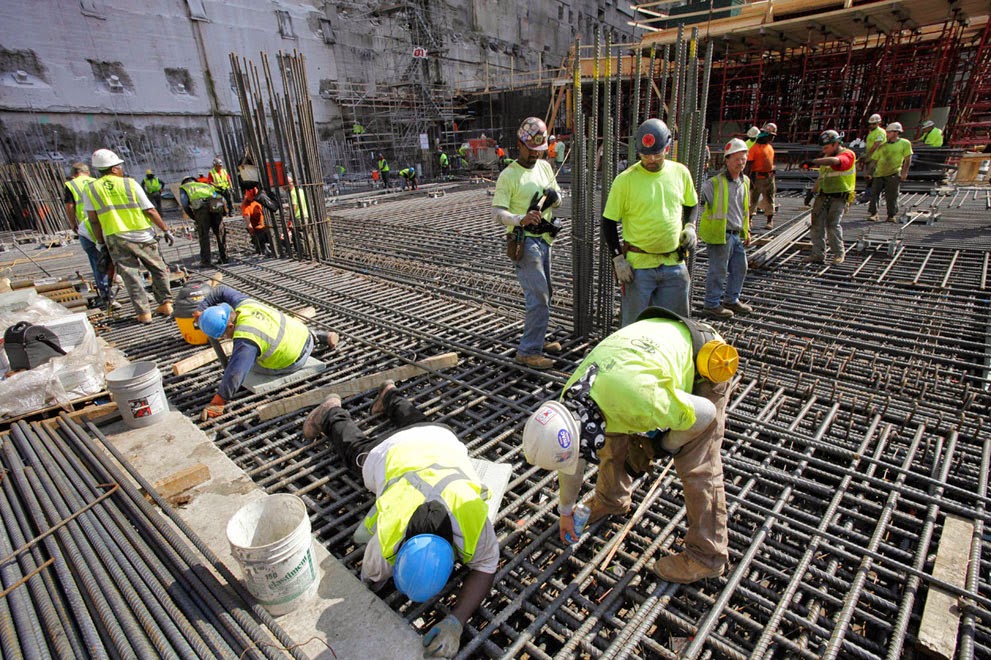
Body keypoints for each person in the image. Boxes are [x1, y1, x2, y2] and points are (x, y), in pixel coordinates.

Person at [522, 306, 738, 583]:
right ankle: (611, 500)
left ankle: (706, 556)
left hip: (706, 361)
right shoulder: (573, 401)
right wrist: (566, 511)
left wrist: (667, 445)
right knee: (611, 433)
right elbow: (571, 460)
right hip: (644, 354)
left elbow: (705, 415)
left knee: (697, 465)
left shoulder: (642, 402)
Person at [301, 382, 498, 659]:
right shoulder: (386, 541)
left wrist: (456, 621)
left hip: (436, 439)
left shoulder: (471, 517)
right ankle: (343, 409)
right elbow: (369, 580)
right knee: (359, 452)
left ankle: (368, 401)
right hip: (417, 444)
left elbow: (488, 566)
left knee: (407, 431)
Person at [602, 118, 698, 326]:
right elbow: (608, 222)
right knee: (633, 327)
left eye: (657, 154)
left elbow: (692, 203)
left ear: (667, 148)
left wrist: (690, 225)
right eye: (645, 156)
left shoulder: (680, 172)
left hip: (674, 263)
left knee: (677, 325)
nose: (652, 160)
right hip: (639, 268)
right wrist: (618, 258)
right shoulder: (625, 180)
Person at [195, 285, 339, 420]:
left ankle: (307, 343)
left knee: (245, 362)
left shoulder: (247, 339)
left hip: (294, 360)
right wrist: (201, 309)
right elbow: (221, 290)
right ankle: (317, 335)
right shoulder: (245, 304)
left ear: (231, 326)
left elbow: (235, 373)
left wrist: (218, 401)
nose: (225, 338)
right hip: (302, 334)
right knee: (269, 334)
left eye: (224, 335)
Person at [493, 117, 563, 370]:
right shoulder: (508, 175)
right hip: (525, 242)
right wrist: (520, 218)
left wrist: (555, 199)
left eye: (538, 151)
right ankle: (528, 351)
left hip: (545, 239)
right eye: (530, 150)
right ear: (519, 144)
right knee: (538, 296)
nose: (534, 155)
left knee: (546, 293)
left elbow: (559, 201)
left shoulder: (544, 167)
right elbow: (498, 213)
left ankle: (537, 339)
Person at [84, 149, 174, 324]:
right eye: (119, 166)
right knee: (158, 268)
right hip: (142, 234)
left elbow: (94, 221)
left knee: (130, 275)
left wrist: (100, 242)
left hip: (115, 237)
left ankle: (144, 313)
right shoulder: (129, 184)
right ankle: (166, 303)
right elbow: (150, 210)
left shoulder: (92, 189)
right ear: (115, 168)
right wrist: (165, 229)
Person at [699, 139, 752, 319]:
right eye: (736, 159)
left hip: (736, 234)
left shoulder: (745, 182)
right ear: (727, 160)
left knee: (740, 268)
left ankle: (731, 300)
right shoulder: (714, 183)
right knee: (718, 271)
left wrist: (747, 230)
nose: (740, 162)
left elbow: (745, 209)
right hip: (719, 235)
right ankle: (711, 304)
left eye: (743, 159)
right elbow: (695, 198)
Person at [802, 130, 856, 264]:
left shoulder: (847, 154)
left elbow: (836, 161)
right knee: (816, 225)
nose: (824, 150)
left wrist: (814, 162)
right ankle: (817, 254)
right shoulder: (827, 157)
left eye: (826, 147)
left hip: (839, 196)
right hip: (823, 194)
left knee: (832, 225)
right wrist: (812, 192)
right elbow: (822, 177)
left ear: (836, 143)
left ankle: (838, 253)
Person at [64, 162, 113, 307]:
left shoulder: (71, 185)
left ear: (74, 174)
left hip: (87, 226)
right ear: (88, 173)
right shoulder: (98, 182)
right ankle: (138, 291)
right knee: (118, 257)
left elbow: (69, 206)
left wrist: (73, 223)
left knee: (97, 261)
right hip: (107, 223)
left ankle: (107, 297)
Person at [867, 122, 912, 223]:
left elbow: (908, 159)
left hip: (893, 173)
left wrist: (904, 173)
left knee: (892, 195)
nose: (886, 134)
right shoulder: (883, 146)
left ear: (896, 132)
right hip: (879, 173)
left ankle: (891, 215)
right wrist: (869, 172)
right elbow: (874, 161)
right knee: (874, 194)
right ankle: (874, 214)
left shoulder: (905, 143)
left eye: (889, 132)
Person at [180, 175, 228, 266]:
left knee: (204, 235)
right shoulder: (205, 185)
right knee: (220, 232)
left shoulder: (184, 188)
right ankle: (224, 257)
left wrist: (193, 216)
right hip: (215, 206)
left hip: (201, 210)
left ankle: (206, 261)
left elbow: (185, 204)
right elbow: (217, 197)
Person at [744, 122, 776, 229]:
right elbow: (748, 165)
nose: (772, 138)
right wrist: (748, 179)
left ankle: (770, 220)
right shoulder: (754, 148)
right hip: (756, 178)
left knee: (769, 199)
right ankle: (749, 220)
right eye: (771, 136)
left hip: (769, 177)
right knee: (753, 200)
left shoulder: (770, 148)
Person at [242, 185, 274, 256]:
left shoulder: (258, 200)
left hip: (263, 224)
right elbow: (246, 217)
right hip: (255, 227)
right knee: (260, 237)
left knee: (269, 235)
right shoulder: (246, 205)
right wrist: (249, 227)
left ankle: (268, 246)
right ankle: (260, 248)